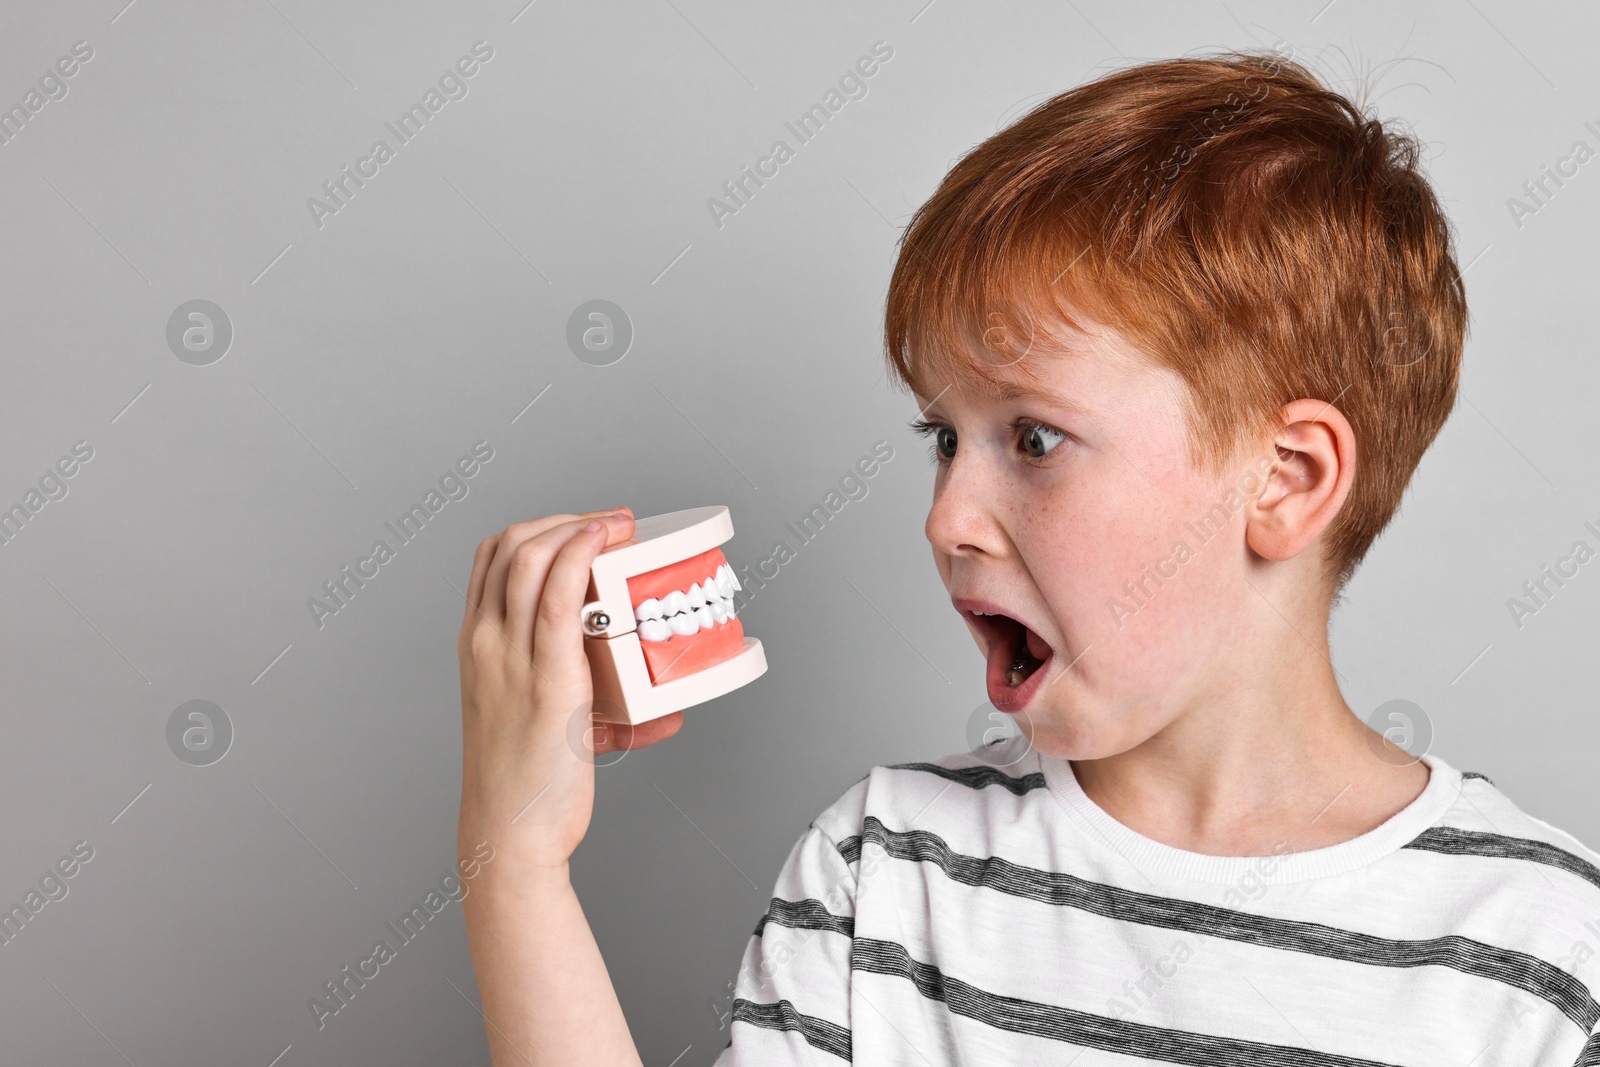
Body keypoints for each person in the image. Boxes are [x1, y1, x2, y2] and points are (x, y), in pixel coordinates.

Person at [454, 50, 1600, 1065]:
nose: (945, 515)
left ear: (1286, 478)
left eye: (1033, 438)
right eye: (942, 436)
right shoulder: (886, 873)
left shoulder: (1541, 953)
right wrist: (513, 865)